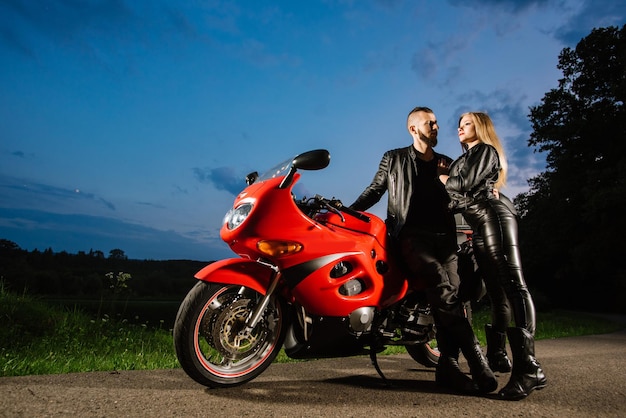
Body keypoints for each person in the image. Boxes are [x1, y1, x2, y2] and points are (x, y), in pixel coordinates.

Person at [350, 106, 497, 395]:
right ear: (413, 129)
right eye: (430, 123)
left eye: (437, 123)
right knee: (443, 288)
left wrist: (488, 193)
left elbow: (464, 191)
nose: (437, 127)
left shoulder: (447, 163)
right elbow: (375, 190)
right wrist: (348, 212)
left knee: (449, 297)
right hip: (410, 237)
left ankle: (448, 368)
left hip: (445, 239)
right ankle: (478, 362)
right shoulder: (393, 158)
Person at [438, 111, 547, 400]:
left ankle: (529, 367)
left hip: (494, 217)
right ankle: (498, 355)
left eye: (467, 124)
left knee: (514, 285)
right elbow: (459, 196)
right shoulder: (464, 158)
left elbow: (459, 186)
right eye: (459, 125)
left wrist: (444, 177)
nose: (460, 128)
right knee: (497, 293)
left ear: (481, 127)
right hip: (479, 222)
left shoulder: (485, 150)